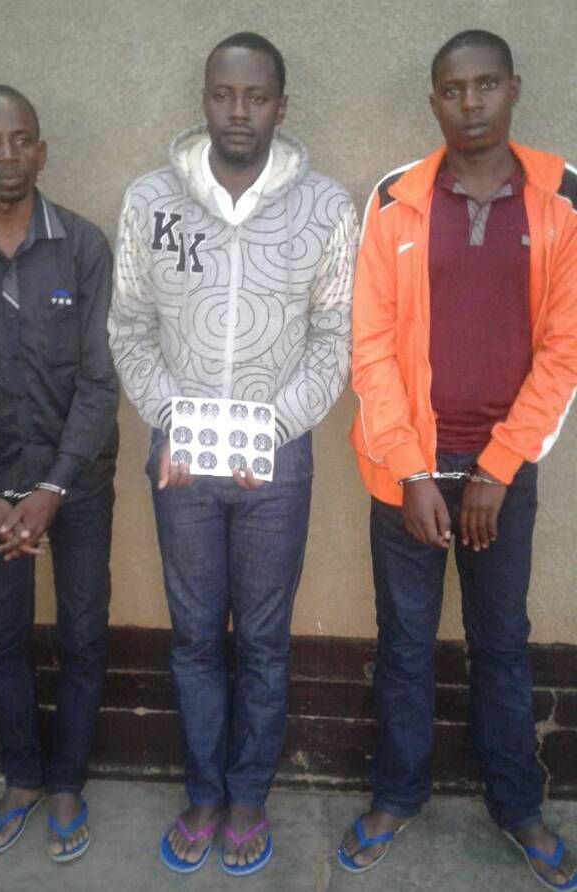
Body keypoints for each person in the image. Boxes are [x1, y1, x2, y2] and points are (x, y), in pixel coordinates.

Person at [109, 32, 358, 876]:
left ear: (281, 105)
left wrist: (270, 428)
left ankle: (248, 795)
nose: (239, 111)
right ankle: (204, 793)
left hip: (276, 465)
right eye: (224, 94)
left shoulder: (326, 207)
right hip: (179, 462)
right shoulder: (151, 201)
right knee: (192, 637)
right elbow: (129, 327)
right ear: (205, 100)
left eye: (256, 96)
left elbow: (334, 338)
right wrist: (171, 419)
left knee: (261, 639)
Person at [340, 29, 577, 889]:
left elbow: (565, 348)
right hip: (404, 463)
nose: (469, 103)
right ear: (434, 100)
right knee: (404, 644)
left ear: (513, 88)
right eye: (452, 89)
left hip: (501, 473)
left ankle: (517, 806)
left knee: (501, 642)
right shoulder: (395, 197)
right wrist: (412, 471)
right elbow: (369, 346)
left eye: (485, 85)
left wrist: (498, 468)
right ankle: (396, 795)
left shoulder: (563, 197)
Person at [0, 86, 119, 863]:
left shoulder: (83, 246)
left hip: (80, 482)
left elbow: (101, 381)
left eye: (20, 140)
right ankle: (21, 778)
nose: (6, 155)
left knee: (82, 629)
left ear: (40, 151)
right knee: (3, 635)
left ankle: (67, 779)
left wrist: (54, 485)